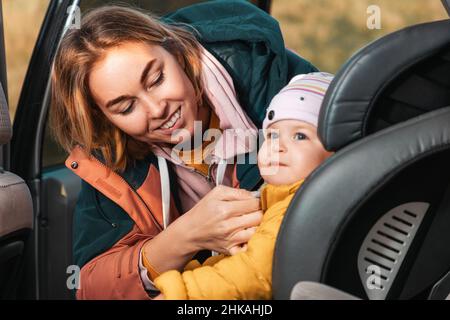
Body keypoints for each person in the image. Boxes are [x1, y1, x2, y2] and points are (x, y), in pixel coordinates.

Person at [50, 0, 317, 299]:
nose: (157, 109)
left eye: (156, 79)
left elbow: (340, 174)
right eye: (125, 107)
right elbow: (91, 287)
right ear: (105, 118)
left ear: (177, 52)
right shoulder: (112, 159)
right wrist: (186, 235)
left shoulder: (276, 82)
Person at [152, 72, 334, 300]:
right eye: (272, 136)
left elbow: (253, 274)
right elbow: (244, 258)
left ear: (336, 153)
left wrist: (182, 293)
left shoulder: (298, 208)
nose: (277, 147)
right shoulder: (275, 201)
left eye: (299, 136)